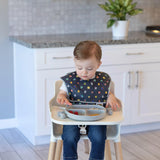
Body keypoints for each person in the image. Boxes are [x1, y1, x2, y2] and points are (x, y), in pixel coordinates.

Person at [56, 40, 120, 160]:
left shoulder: (103, 79)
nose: (84, 72)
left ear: (98, 65)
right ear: (75, 62)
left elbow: (107, 92)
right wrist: (62, 97)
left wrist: (111, 96)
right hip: (73, 115)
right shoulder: (70, 80)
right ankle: (70, 158)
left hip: (96, 116)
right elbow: (62, 93)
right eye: (79, 68)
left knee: (99, 137)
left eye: (89, 68)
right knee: (69, 136)